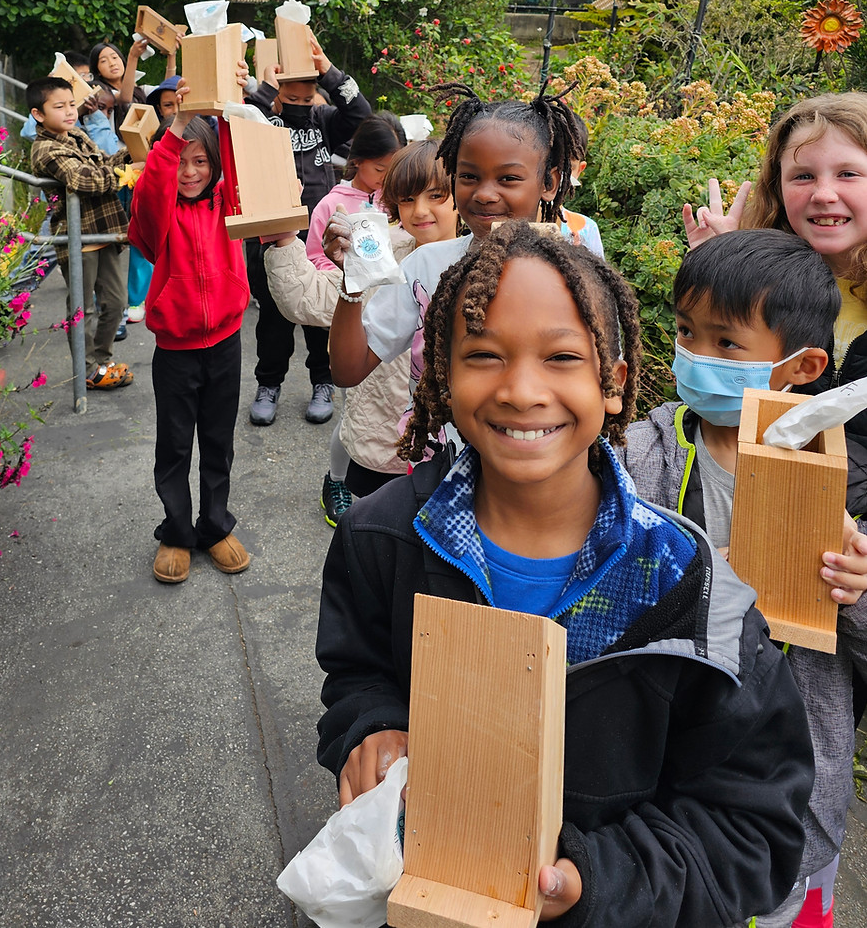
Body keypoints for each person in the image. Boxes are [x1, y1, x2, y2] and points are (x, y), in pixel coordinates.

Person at [316, 220, 815, 926]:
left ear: (613, 383)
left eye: (560, 357)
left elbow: (751, 828)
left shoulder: (687, 588)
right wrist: (372, 726)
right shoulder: (383, 536)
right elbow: (357, 672)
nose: (522, 389)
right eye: (484, 354)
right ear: (444, 375)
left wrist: (594, 882)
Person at [620, 229, 867, 928]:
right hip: (663, 770)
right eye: (687, 333)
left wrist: (857, 592)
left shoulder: (840, 486)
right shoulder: (641, 456)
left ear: (802, 365)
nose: (695, 357)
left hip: (794, 797)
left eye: (726, 344)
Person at [683, 95, 867, 926]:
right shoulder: (777, 268)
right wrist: (727, 267)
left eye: (848, 173)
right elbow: (725, 366)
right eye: (803, 174)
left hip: (827, 547)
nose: (823, 192)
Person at [324, 83, 578, 392]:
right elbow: (348, 371)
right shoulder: (424, 268)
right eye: (469, 176)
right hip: (436, 440)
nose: (484, 194)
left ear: (548, 183)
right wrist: (353, 282)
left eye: (508, 178)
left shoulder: (574, 274)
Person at [264, 140, 459, 525]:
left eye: (436, 195)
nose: (420, 211)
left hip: (456, 448)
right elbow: (309, 298)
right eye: (407, 199)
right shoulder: (380, 254)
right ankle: (334, 481)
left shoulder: (487, 262)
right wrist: (284, 234)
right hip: (379, 439)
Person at [128, 80, 251, 584]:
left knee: (218, 442)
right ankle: (177, 532)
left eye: (201, 161)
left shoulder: (227, 204)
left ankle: (215, 525)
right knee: (175, 446)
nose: (190, 172)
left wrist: (230, 99)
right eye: (182, 160)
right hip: (175, 350)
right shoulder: (159, 215)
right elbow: (154, 183)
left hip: (226, 342)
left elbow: (244, 160)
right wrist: (176, 127)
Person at [243, 31, 372, 426]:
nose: (299, 106)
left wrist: (329, 73)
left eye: (306, 98)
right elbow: (241, 120)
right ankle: (269, 385)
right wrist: (265, 90)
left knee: (322, 314)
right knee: (274, 318)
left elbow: (361, 116)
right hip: (273, 234)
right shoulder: (263, 119)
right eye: (290, 98)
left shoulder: (324, 121)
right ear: (277, 93)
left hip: (319, 239)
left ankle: (323, 381)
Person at [27, 76, 133, 390]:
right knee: (82, 309)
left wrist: (132, 155)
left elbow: (103, 162)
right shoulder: (44, 148)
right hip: (77, 238)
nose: (69, 112)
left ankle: (102, 360)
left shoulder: (77, 134)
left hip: (104, 231)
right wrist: (124, 175)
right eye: (59, 107)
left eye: (71, 104)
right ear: (38, 114)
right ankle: (87, 369)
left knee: (116, 303)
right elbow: (84, 179)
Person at [305, 113, 406, 270]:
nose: (386, 177)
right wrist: (347, 275)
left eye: (394, 170)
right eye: (379, 169)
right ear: (357, 160)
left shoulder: (399, 199)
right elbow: (315, 257)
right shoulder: (330, 205)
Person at [553, 109, 604, 258]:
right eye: (549, 164)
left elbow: (599, 279)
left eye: (568, 167)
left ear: (579, 170)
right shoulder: (507, 225)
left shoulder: (586, 229)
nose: (555, 176)